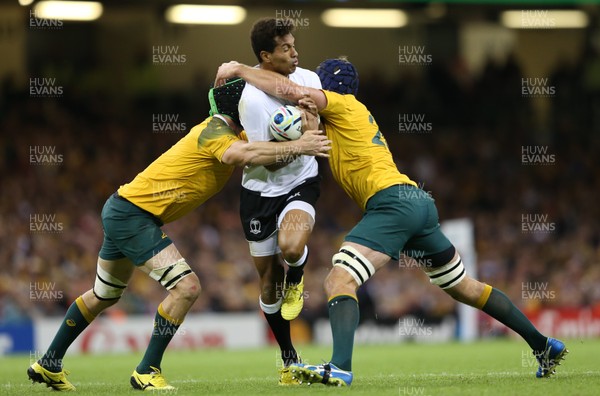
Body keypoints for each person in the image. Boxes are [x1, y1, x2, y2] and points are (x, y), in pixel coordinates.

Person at [214, 60, 569, 387]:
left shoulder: (341, 104)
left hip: (392, 203)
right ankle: (543, 345)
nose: (307, 90)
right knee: (464, 287)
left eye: (315, 85)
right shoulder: (340, 120)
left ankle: (339, 366)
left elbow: (292, 92)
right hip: (415, 203)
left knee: (340, 277)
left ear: (328, 87)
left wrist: (244, 70)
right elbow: (304, 132)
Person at [26, 78, 330, 391]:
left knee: (104, 294)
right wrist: (300, 145)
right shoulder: (215, 131)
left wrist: (306, 121)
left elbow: (262, 146)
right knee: (187, 287)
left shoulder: (232, 132)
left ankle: (48, 363)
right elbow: (239, 156)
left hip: (123, 210)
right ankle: (147, 370)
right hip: (133, 216)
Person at [235, 18, 323, 384]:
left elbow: (319, 130)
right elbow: (260, 156)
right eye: (285, 48)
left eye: (294, 44)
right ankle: (289, 358)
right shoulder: (251, 99)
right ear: (265, 56)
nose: (295, 52)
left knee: (290, 247)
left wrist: (312, 128)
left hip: (301, 181)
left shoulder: (310, 79)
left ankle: (298, 274)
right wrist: (300, 140)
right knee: (268, 281)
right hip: (259, 192)